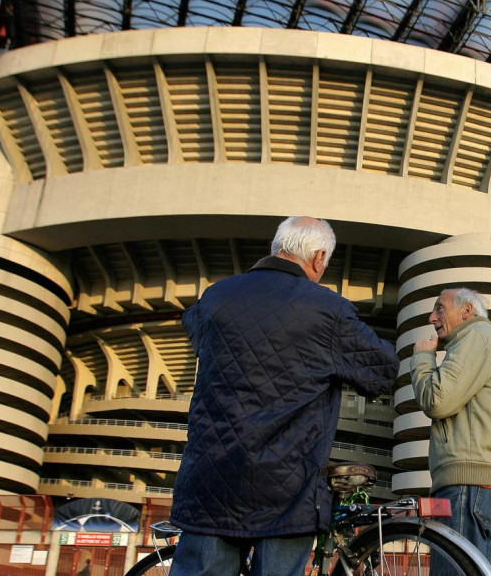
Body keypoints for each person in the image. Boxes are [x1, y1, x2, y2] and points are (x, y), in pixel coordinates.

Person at [169, 216, 398, 576]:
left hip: (212, 478)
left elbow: (195, 332)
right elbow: (381, 371)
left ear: (277, 247)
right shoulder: (329, 310)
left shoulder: (217, 295)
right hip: (287, 488)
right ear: (319, 258)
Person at [410, 287, 491, 570]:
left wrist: (422, 358)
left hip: (467, 483)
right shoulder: (481, 343)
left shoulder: (475, 339)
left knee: (454, 570)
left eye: (440, 308)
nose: (431, 317)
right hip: (477, 483)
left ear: (467, 311)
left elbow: (436, 400)